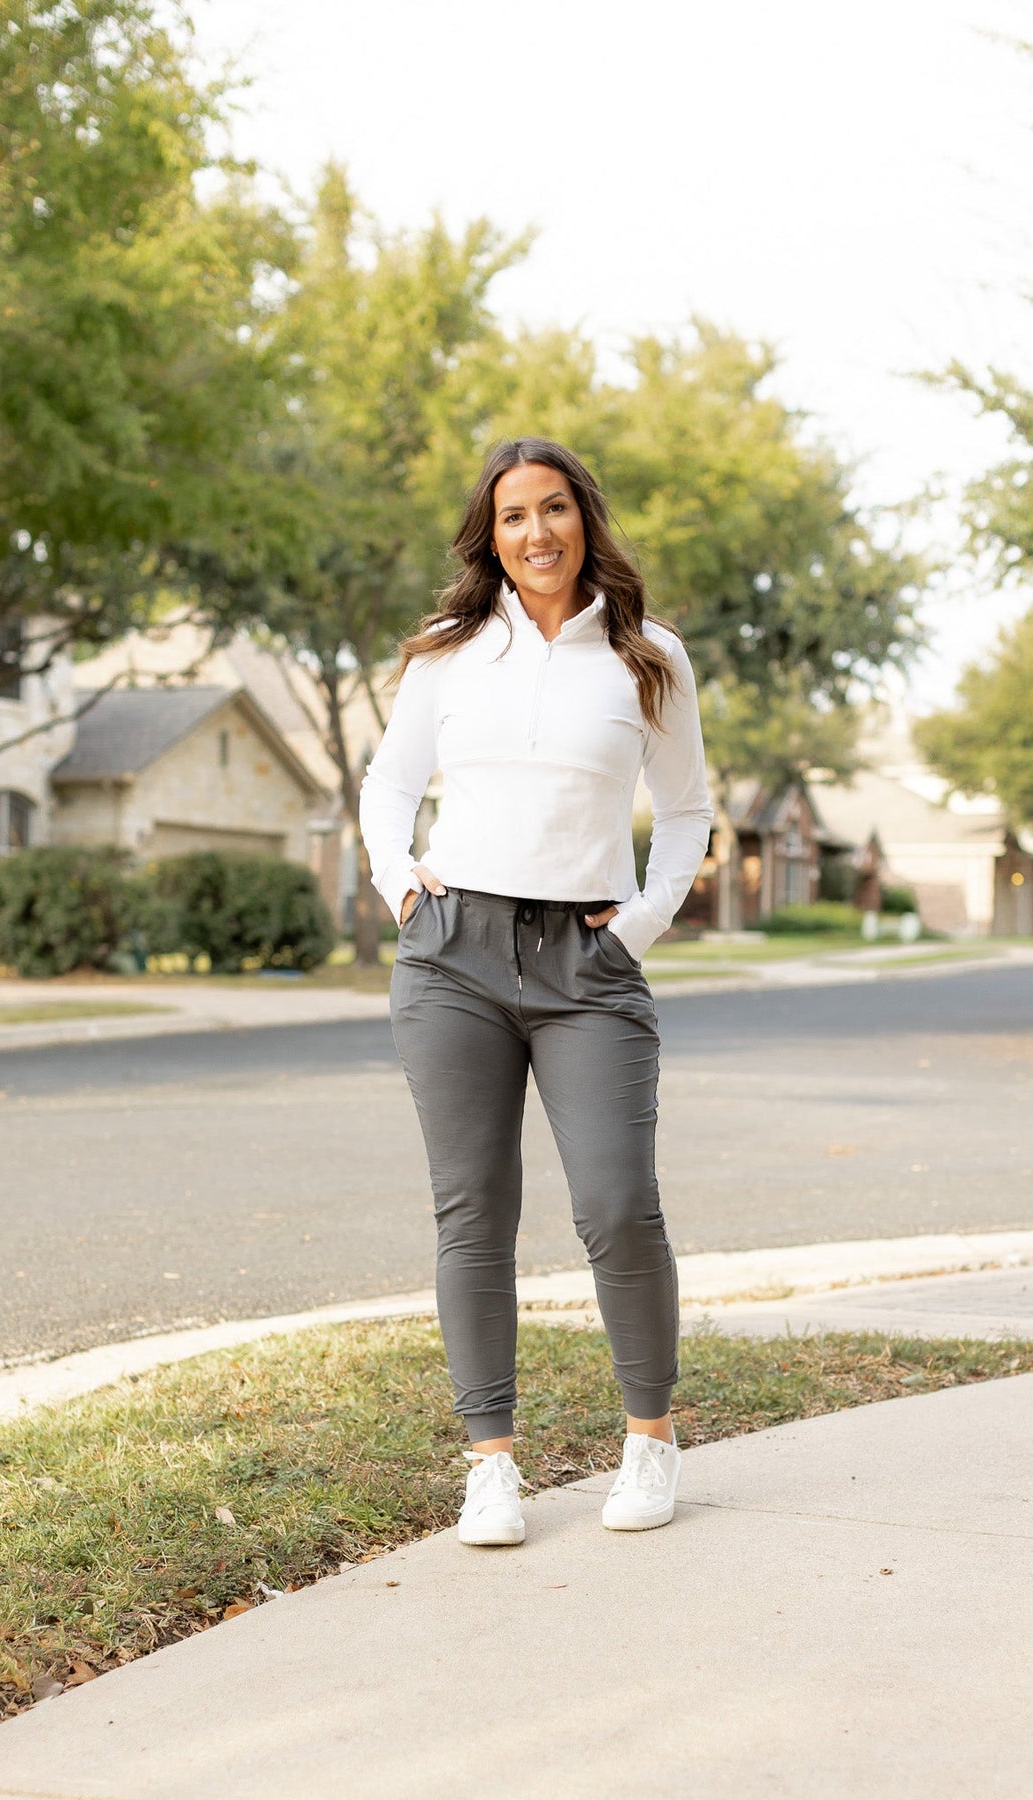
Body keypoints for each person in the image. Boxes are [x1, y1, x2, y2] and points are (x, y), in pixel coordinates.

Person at [359, 437, 714, 1546]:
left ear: (583, 518)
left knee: (617, 1204)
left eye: (553, 510)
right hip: (452, 951)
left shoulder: (648, 656)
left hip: (588, 965)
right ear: (491, 536)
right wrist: (401, 890)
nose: (537, 533)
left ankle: (649, 1439)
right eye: (514, 517)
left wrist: (646, 922)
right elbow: (388, 786)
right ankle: (490, 1465)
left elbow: (689, 808)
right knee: (474, 1215)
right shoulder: (447, 656)